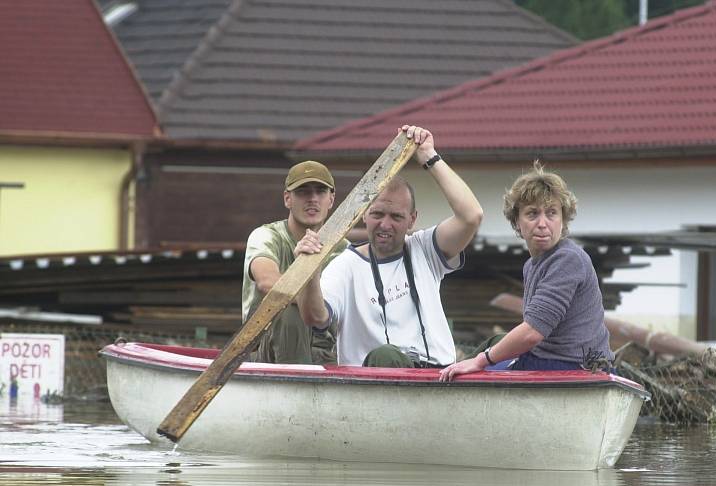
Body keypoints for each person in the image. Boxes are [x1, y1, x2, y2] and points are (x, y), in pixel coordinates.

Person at [295, 125, 483, 367]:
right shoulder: (346, 265)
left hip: (437, 375)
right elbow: (315, 318)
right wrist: (309, 272)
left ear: (412, 220)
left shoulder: (424, 249)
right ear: (363, 214)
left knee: (500, 345)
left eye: (396, 217)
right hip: (379, 379)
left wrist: (429, 157)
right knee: (386, 355)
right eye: (378, 214)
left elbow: (472, 216)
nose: (385, 224)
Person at [439, 161, 613, 381]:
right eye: (532, 214)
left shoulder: (567, 259)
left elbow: (532, 332)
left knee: (477, 372)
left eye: (552, 213)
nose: (542, 223)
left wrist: (480, 360)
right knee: (489, 355)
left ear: (563, 219)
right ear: (517, 221)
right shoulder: (532, 265)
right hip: (552, 360)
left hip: (575, 367)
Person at [242, 160, 347, 364]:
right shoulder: (266, 235)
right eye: (303, 192)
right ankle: (292, 392)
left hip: (326, 353)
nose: (312, 199)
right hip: (269, 351)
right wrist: (312, 298)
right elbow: (267, 282)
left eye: (320, 191)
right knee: (289, 310)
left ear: (331, 199)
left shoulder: (344, 250)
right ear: (287, 199)